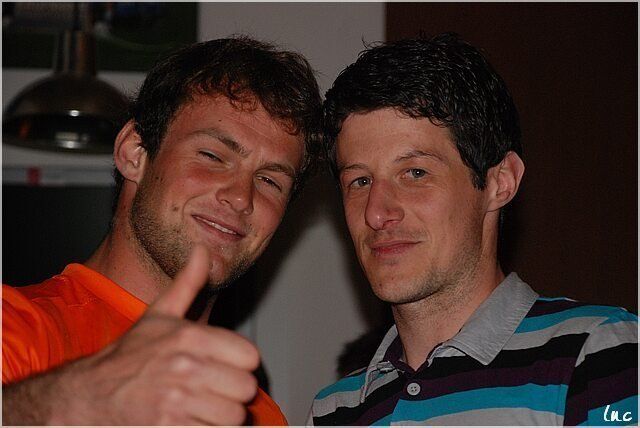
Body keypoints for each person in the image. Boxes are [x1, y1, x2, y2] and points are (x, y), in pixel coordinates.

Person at [309, 33, 637, 426]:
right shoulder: (334, 411)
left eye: (415, 173)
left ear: (500, 182)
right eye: (360, 181)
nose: (376, 213)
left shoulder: (599, 355)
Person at [2, 36, 322, 425]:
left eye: (270, 180)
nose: (242, 197)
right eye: (212, 156)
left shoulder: (261, 415)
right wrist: (77, 402)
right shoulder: (16, 327)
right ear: (134, 152)